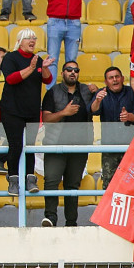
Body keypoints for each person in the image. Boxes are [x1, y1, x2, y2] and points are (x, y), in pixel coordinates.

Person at [39, 60, 97, 227]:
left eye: (76, 70)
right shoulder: (53, 92)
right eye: (69, 69)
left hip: (79, 145)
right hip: (55, 145)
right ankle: (50, 218)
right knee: (51, 181)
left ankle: (71, 222)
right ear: (62, 73)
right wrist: (64, 112)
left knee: (72, 185)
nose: (73, 72)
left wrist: (96, 90)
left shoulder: (86, 90)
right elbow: (47, 119)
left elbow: (98, 104)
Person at [0, 29, 53, 195]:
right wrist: (30, 68)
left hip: (31, 110)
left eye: (34, 38)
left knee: (30, 146)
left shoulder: (38, 59)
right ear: (20, 40)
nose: (32, 41)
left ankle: (30, 178)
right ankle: (13, 178)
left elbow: (48, 79)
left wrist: (42, 67)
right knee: (15, 145)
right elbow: (10, 78)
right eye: (29, 38)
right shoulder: (11, 57)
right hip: (12, 110)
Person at [90, 66, 134, 187]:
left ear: (122, 78)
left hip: (130, 146)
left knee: (132, 183)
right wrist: (97, 101)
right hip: (110, 147)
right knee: (109, 184)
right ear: (106, 82)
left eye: (117, 76)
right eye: (111, 78)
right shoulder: (101, 93)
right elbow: (93, 111)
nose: (115, 80)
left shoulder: (132, 92)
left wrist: (129, 116)